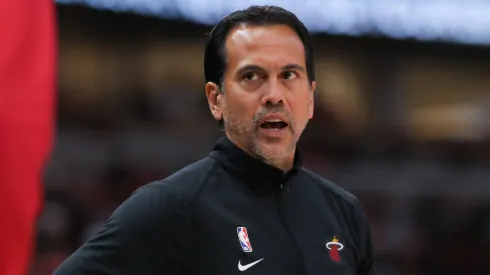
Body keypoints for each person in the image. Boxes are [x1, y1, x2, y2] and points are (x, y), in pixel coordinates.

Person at [54, 5, 375, 275]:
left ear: (310, 99)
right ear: (215, 99)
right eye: (251, 76)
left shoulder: (344, 211)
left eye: (289, 76)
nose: (274, 95)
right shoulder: (170, 207)